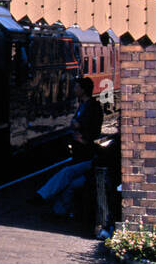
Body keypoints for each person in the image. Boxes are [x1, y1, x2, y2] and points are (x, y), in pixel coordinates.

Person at [32, 77, 104, 218]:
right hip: (80, 152)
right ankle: (57, 210)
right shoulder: (83, 105)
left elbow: (84, 125)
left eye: (76, 87)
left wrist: (83, 136)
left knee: (67, 174)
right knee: (68, 179)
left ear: (83, 90)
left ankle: (42, 197)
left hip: (87, 152)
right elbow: (75, 123)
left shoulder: (92, 106)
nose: (74, 90)